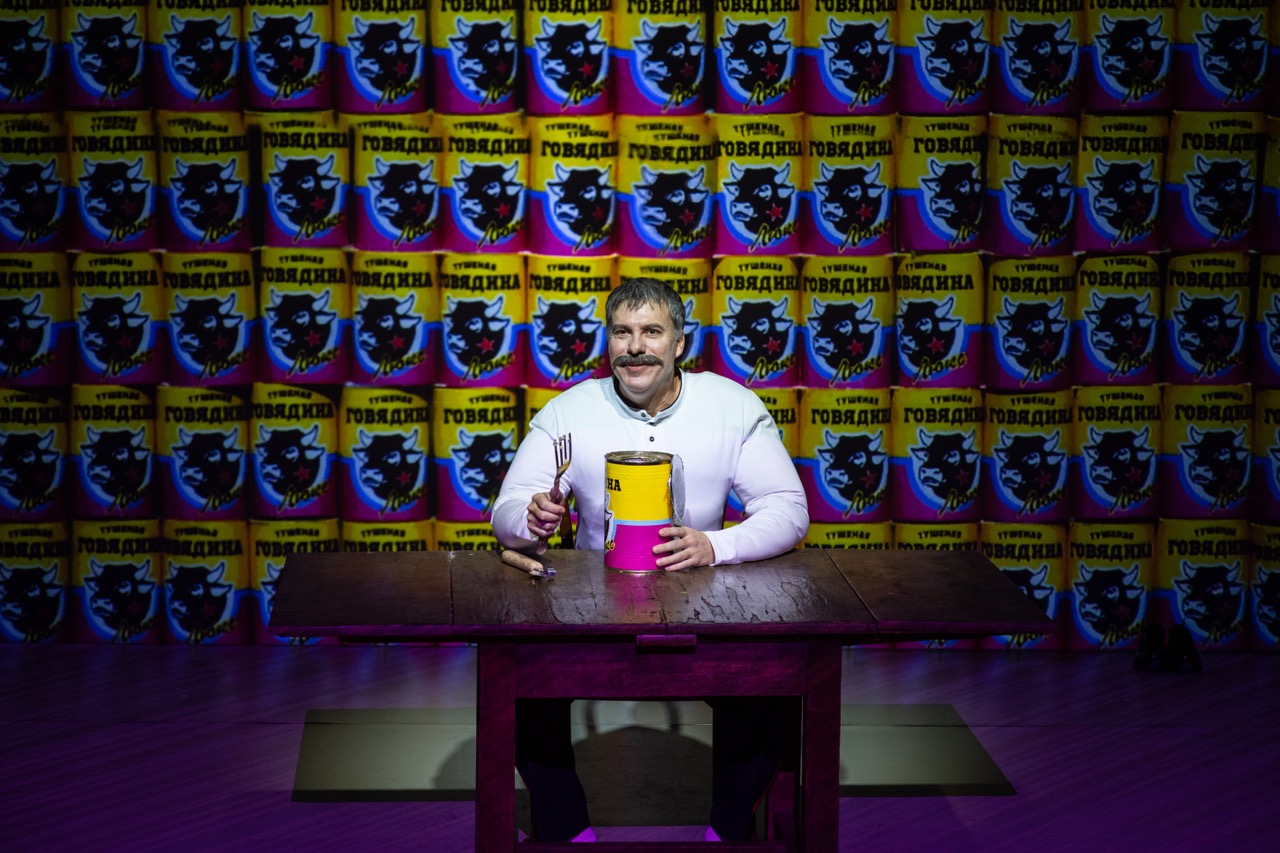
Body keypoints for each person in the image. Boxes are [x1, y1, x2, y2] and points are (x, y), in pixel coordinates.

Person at [491, 277, 809, 842]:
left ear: (679, 343)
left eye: (651, 332)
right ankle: (567, 832)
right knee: (517, 685)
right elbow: (508, 509)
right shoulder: (570, 410)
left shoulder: (732, 405)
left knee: (776, 684)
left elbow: (788, 507)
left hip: (707, 606)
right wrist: (530, 519)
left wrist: (715, 546)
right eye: (622, 333)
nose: (635, 347)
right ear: (609, 341)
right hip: (591, 613)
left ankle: (727, 832)